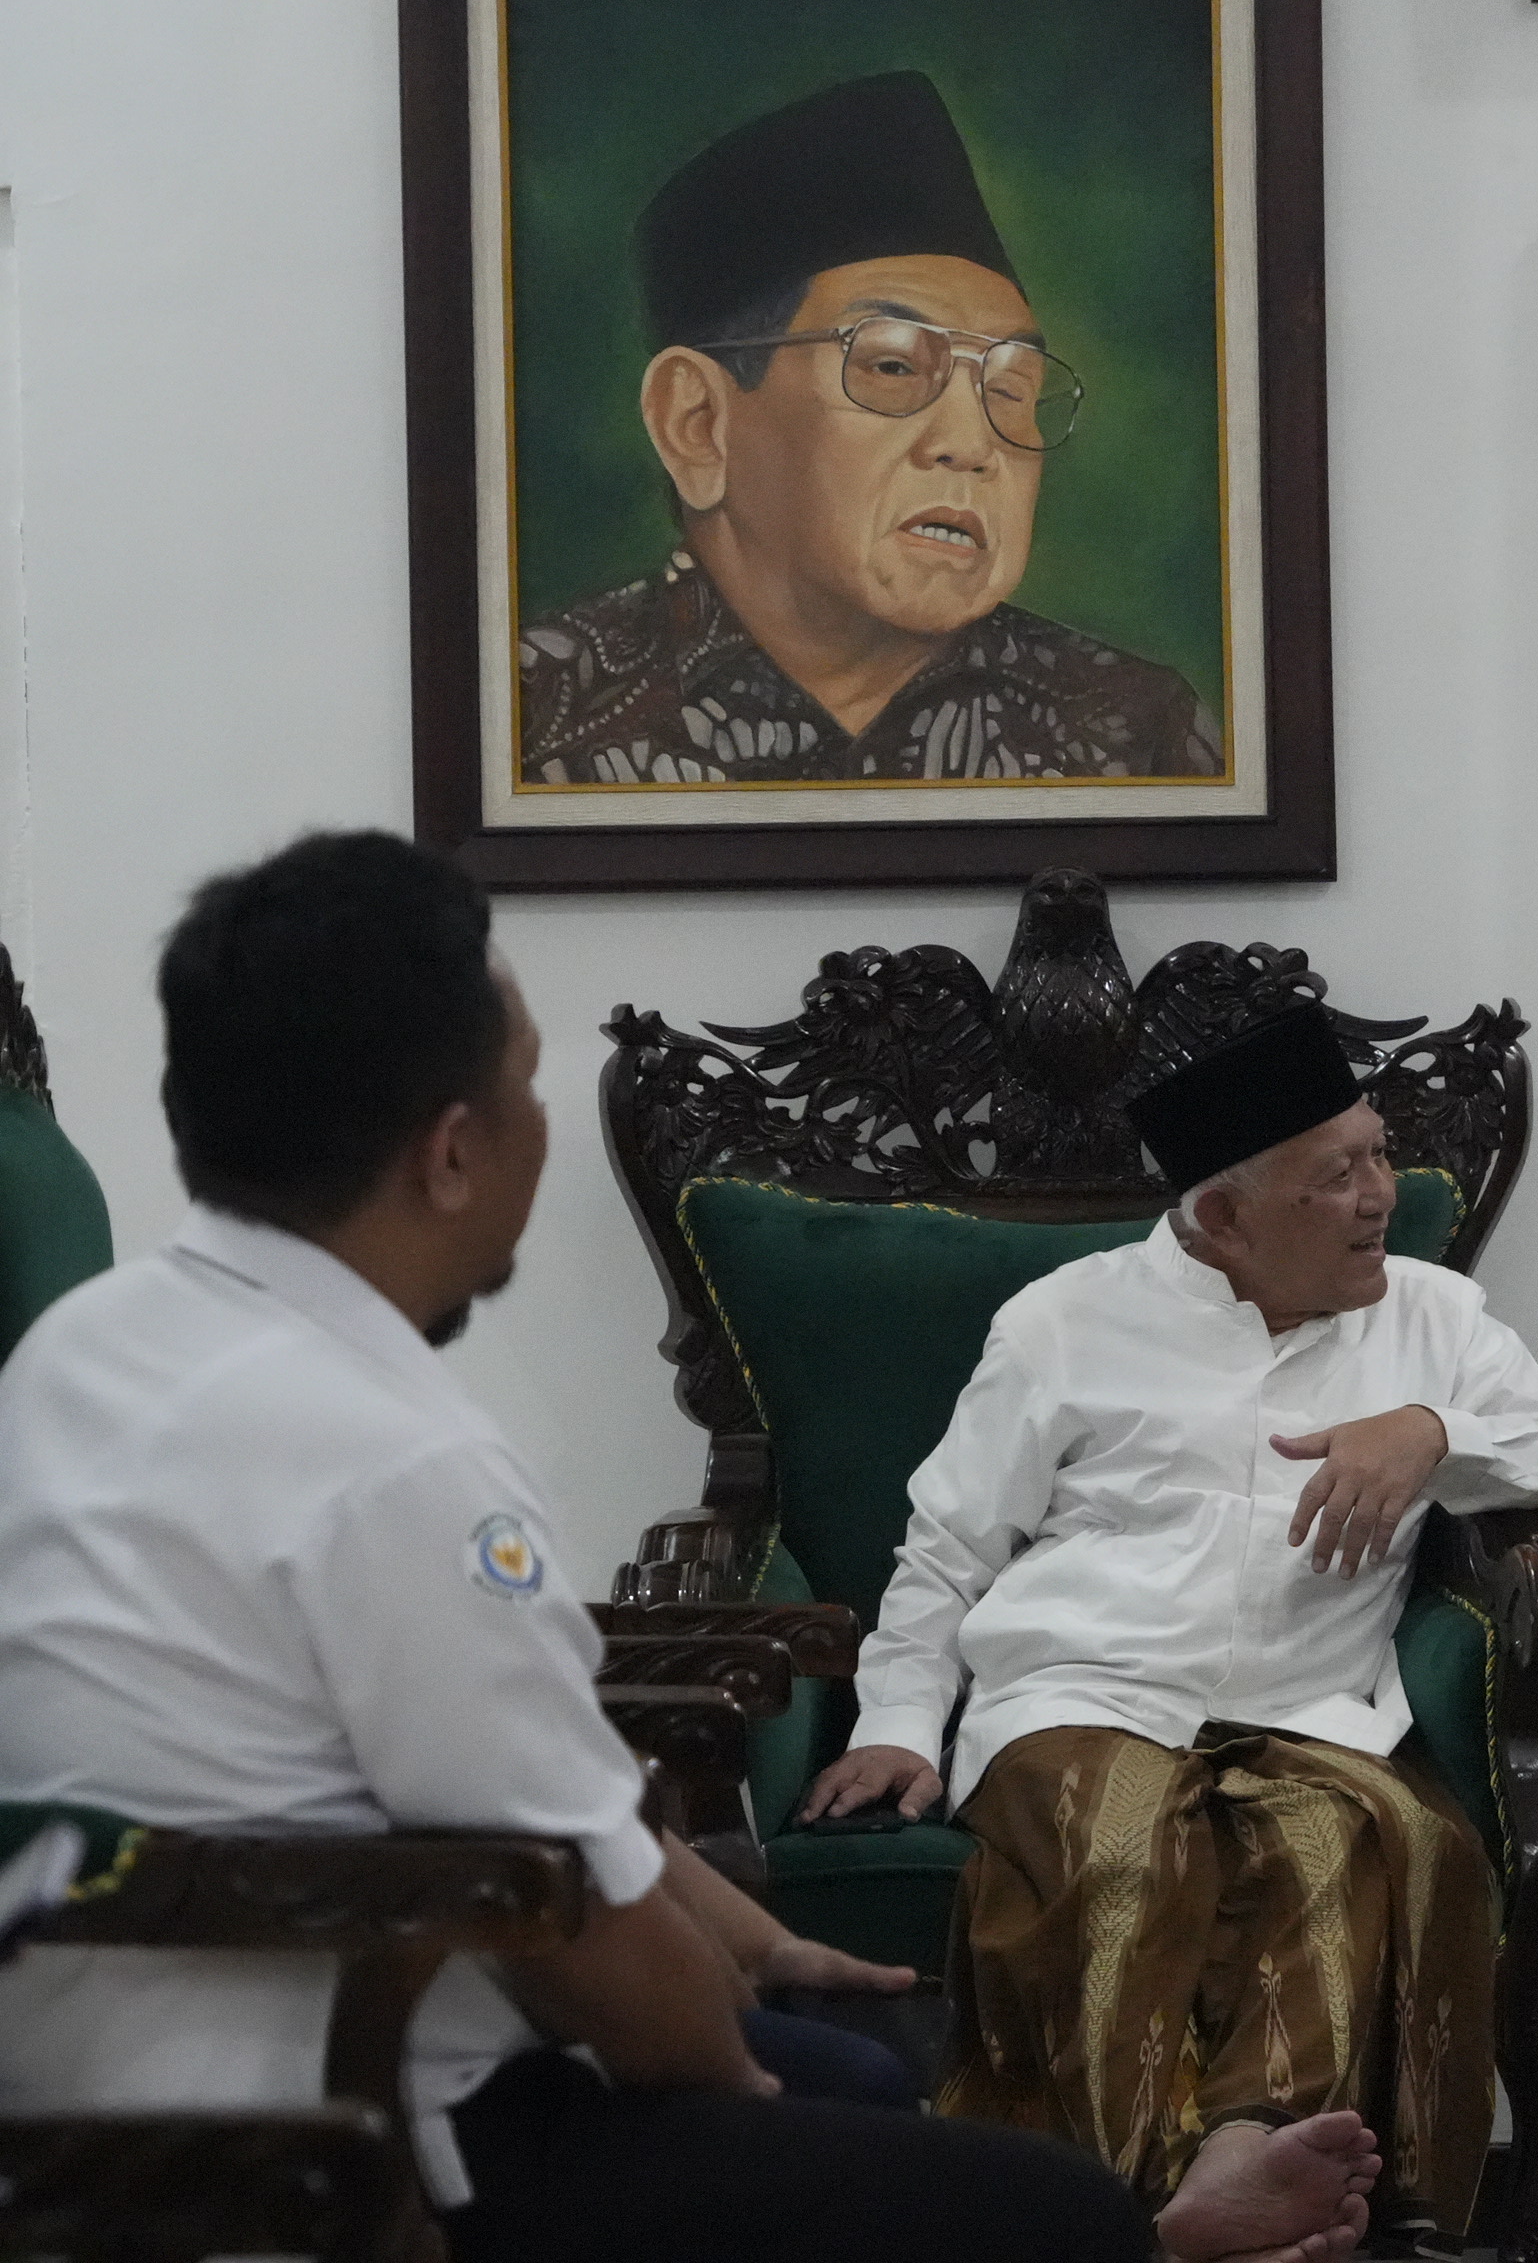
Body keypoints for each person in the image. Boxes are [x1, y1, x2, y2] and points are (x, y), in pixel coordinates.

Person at [0, 832, 1377, 2263]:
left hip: (66, 2064)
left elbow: (506, 1787)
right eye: (526, 1086)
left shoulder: (83, 1354)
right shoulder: (393, 1458)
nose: (537, 1123)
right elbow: (597, 1955)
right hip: (332, 2119)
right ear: (453, 1152)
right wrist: (743, 2086)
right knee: (1039, 2205)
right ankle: (1153, 2246)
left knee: (853, 2075)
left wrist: (758, 1948)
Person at [797, 1001, 1538, 2258]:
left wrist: (1434, 1435)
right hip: (1081, 1695)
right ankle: (1119, 2222)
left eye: (1380, 1155)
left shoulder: (1434, 1320)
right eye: (1337, 1174)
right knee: (1120, 1854)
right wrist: (902, 1718)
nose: (1378, 1197)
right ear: (1222, 1215)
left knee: (1355, 1856)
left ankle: (1261, 2176)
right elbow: (950, 1541)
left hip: (1313, 1714)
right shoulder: (1065, 1320)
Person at [517, 71, 1225, 788]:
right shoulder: (531, 719)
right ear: (695, 422)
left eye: (1011, 388)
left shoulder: (1136, 730)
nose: (973, 443)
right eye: (891, 367)